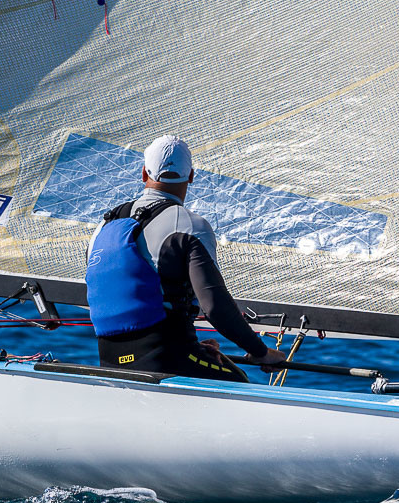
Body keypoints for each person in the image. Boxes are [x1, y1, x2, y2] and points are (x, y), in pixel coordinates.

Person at [86, 133, 292, 381]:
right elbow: (214, 305)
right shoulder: (190, 226)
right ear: (192, 176)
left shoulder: (104, 227)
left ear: (144, 174)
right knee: (239, 382)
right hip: (168, 357)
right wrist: (260, 352)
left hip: (110, 360)